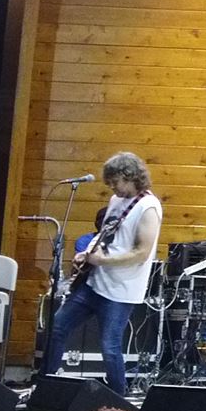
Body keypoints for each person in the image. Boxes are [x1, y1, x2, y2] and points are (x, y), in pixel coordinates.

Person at [40, 152, 161, 391]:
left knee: (110, 346)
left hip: (121, 289)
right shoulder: (117, 200)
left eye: (115, 182)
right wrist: (88, 253)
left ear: (130, 177)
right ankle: (45, 386)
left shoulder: (149, 207)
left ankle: (119, 399)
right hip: (94, 282)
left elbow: (142, 253)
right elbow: (106, 234)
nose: (112, 187)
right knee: (58, 328)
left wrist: (103, 261)